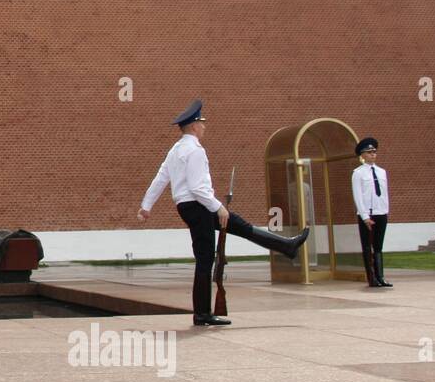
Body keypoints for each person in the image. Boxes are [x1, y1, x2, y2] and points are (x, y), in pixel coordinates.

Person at [137, 100, 310, 325]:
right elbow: (198, 188)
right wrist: (218, 207)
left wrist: (146, 205)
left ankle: (287, 246)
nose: (204, 126)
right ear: (193, 126)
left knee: (242, 227)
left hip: (191, 206)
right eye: (202, 122)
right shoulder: (195, 151)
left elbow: (161, 178)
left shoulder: (177, 149)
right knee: (205, 258)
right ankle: (202, 313)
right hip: (199, 206)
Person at [352, 136, 391, 288]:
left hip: (381, 212)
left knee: (379, 246)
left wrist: (386, 209)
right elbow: (358, 196)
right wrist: (364, 216)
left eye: (374, 152)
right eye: (369, 152)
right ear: (362, 155)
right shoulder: (358, 173)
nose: (372, 154)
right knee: (368, 246)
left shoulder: (381, 172)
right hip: (368, 214)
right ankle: (372, 278)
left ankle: (381, 276)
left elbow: (384, 193)